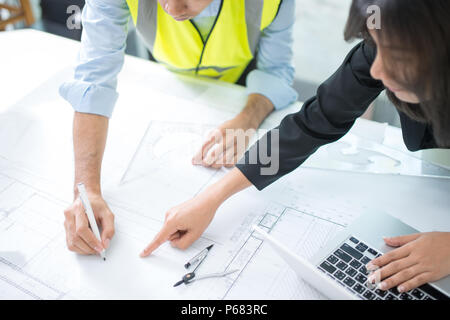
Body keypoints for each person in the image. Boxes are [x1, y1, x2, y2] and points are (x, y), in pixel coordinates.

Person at [142, 0, 450, 294]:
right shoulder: (386, 44)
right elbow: (311, 124)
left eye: (396, 55)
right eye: (375, 45)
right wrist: (212, 198)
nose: (377, 71)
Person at [60, 0, 298, 255]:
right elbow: (94, 80)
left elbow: (276, 71)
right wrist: (85, 192)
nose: (171, 10)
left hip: (240, 90)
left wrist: (249, 118)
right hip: (168, 81)